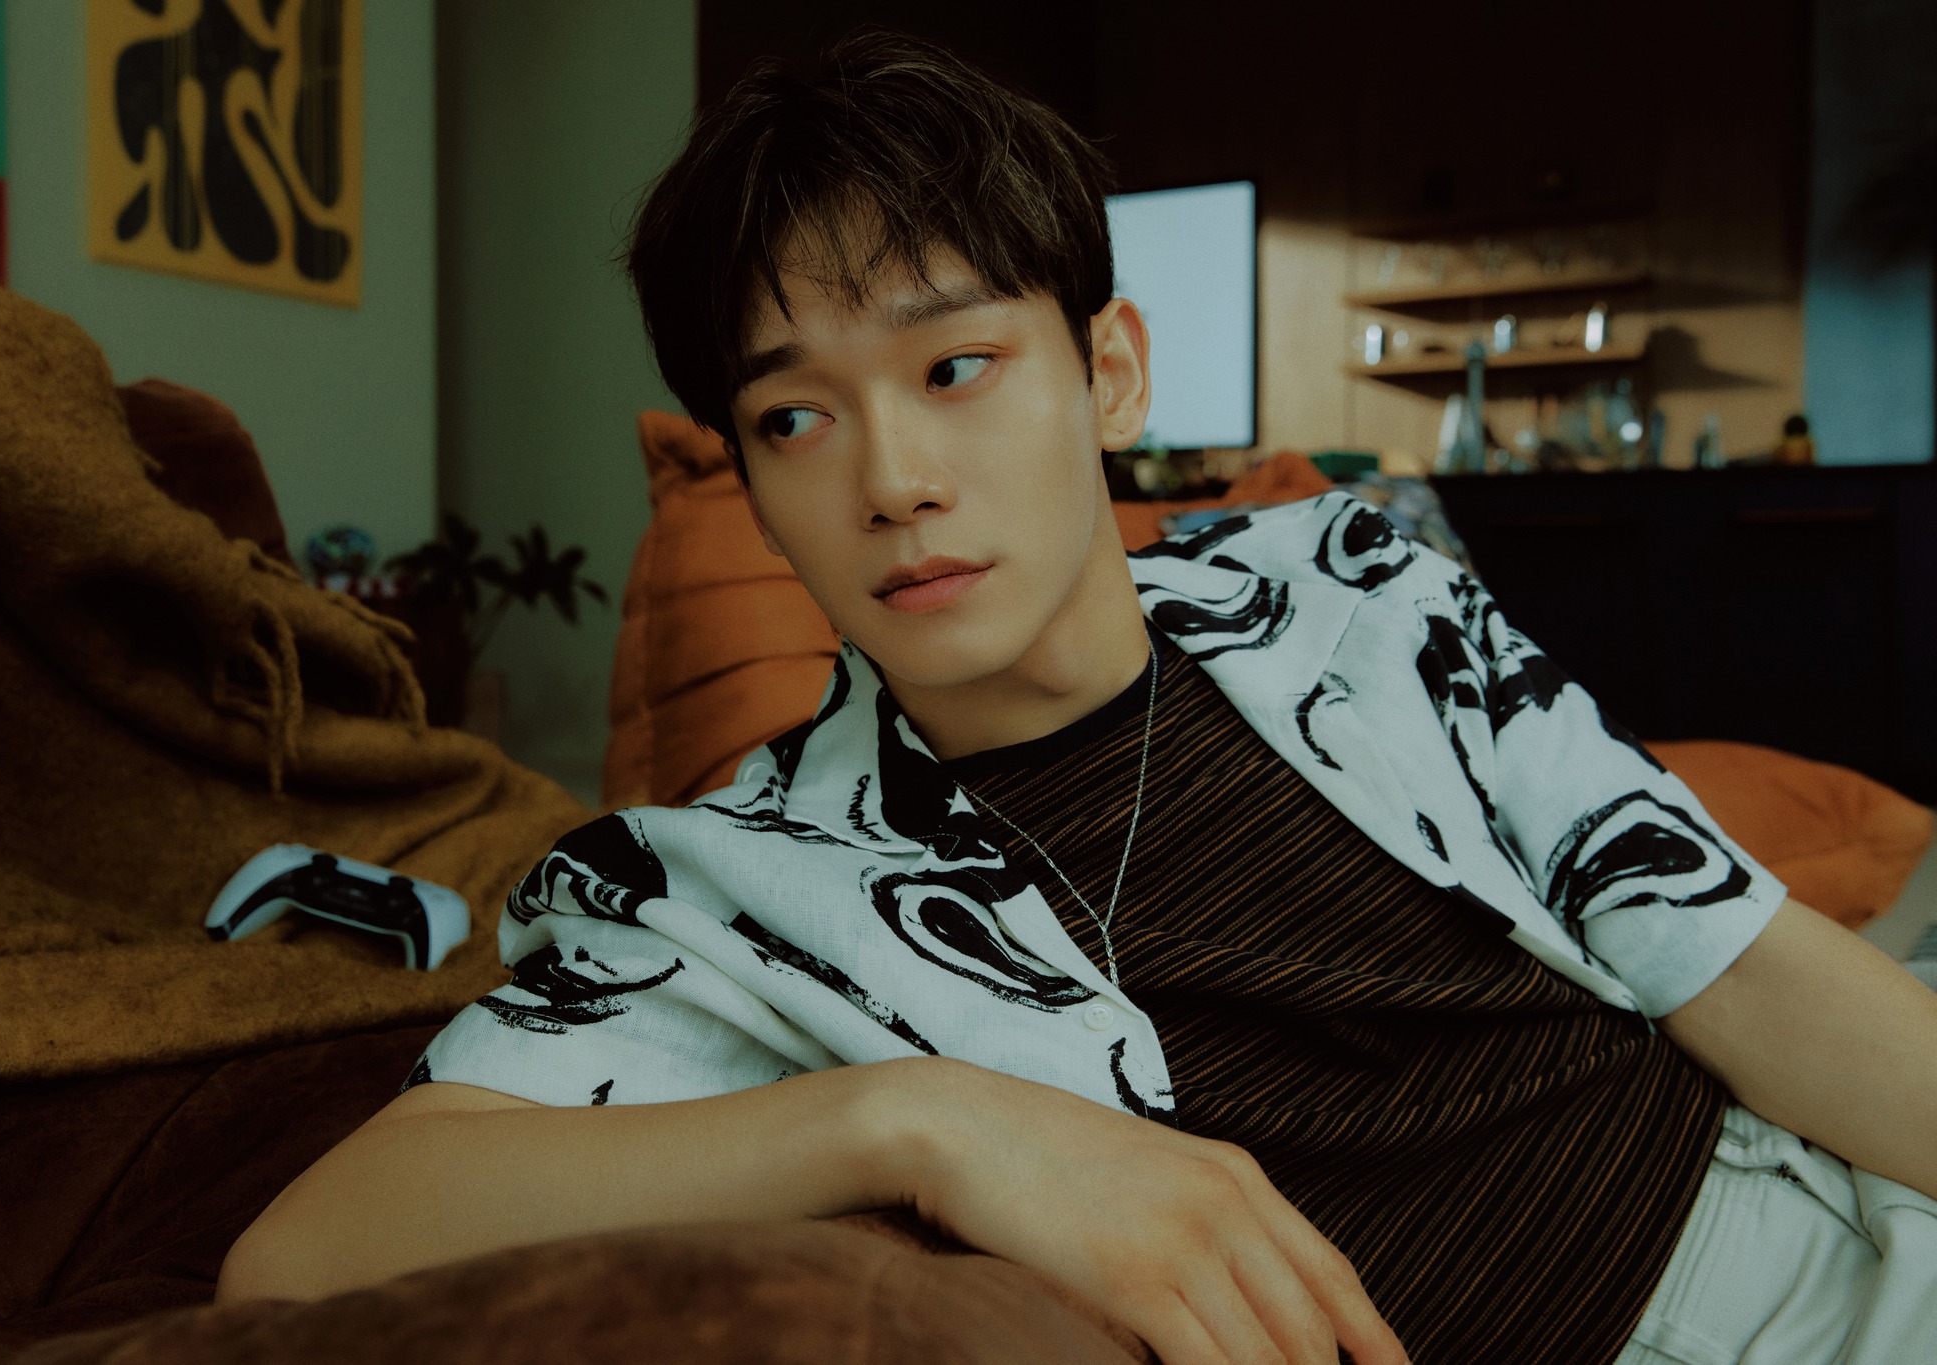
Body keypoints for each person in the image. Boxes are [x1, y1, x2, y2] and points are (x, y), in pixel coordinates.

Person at [216, 29, 1937, 1365]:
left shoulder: (1346, 589)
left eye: (956, 365)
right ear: (751, 479)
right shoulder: (741, 875)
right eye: (794, 418)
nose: (894, 479)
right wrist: (918, 1120)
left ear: (1108, 374)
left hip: (1840, 1246)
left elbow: (1740, 960)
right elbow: (308, 1247)